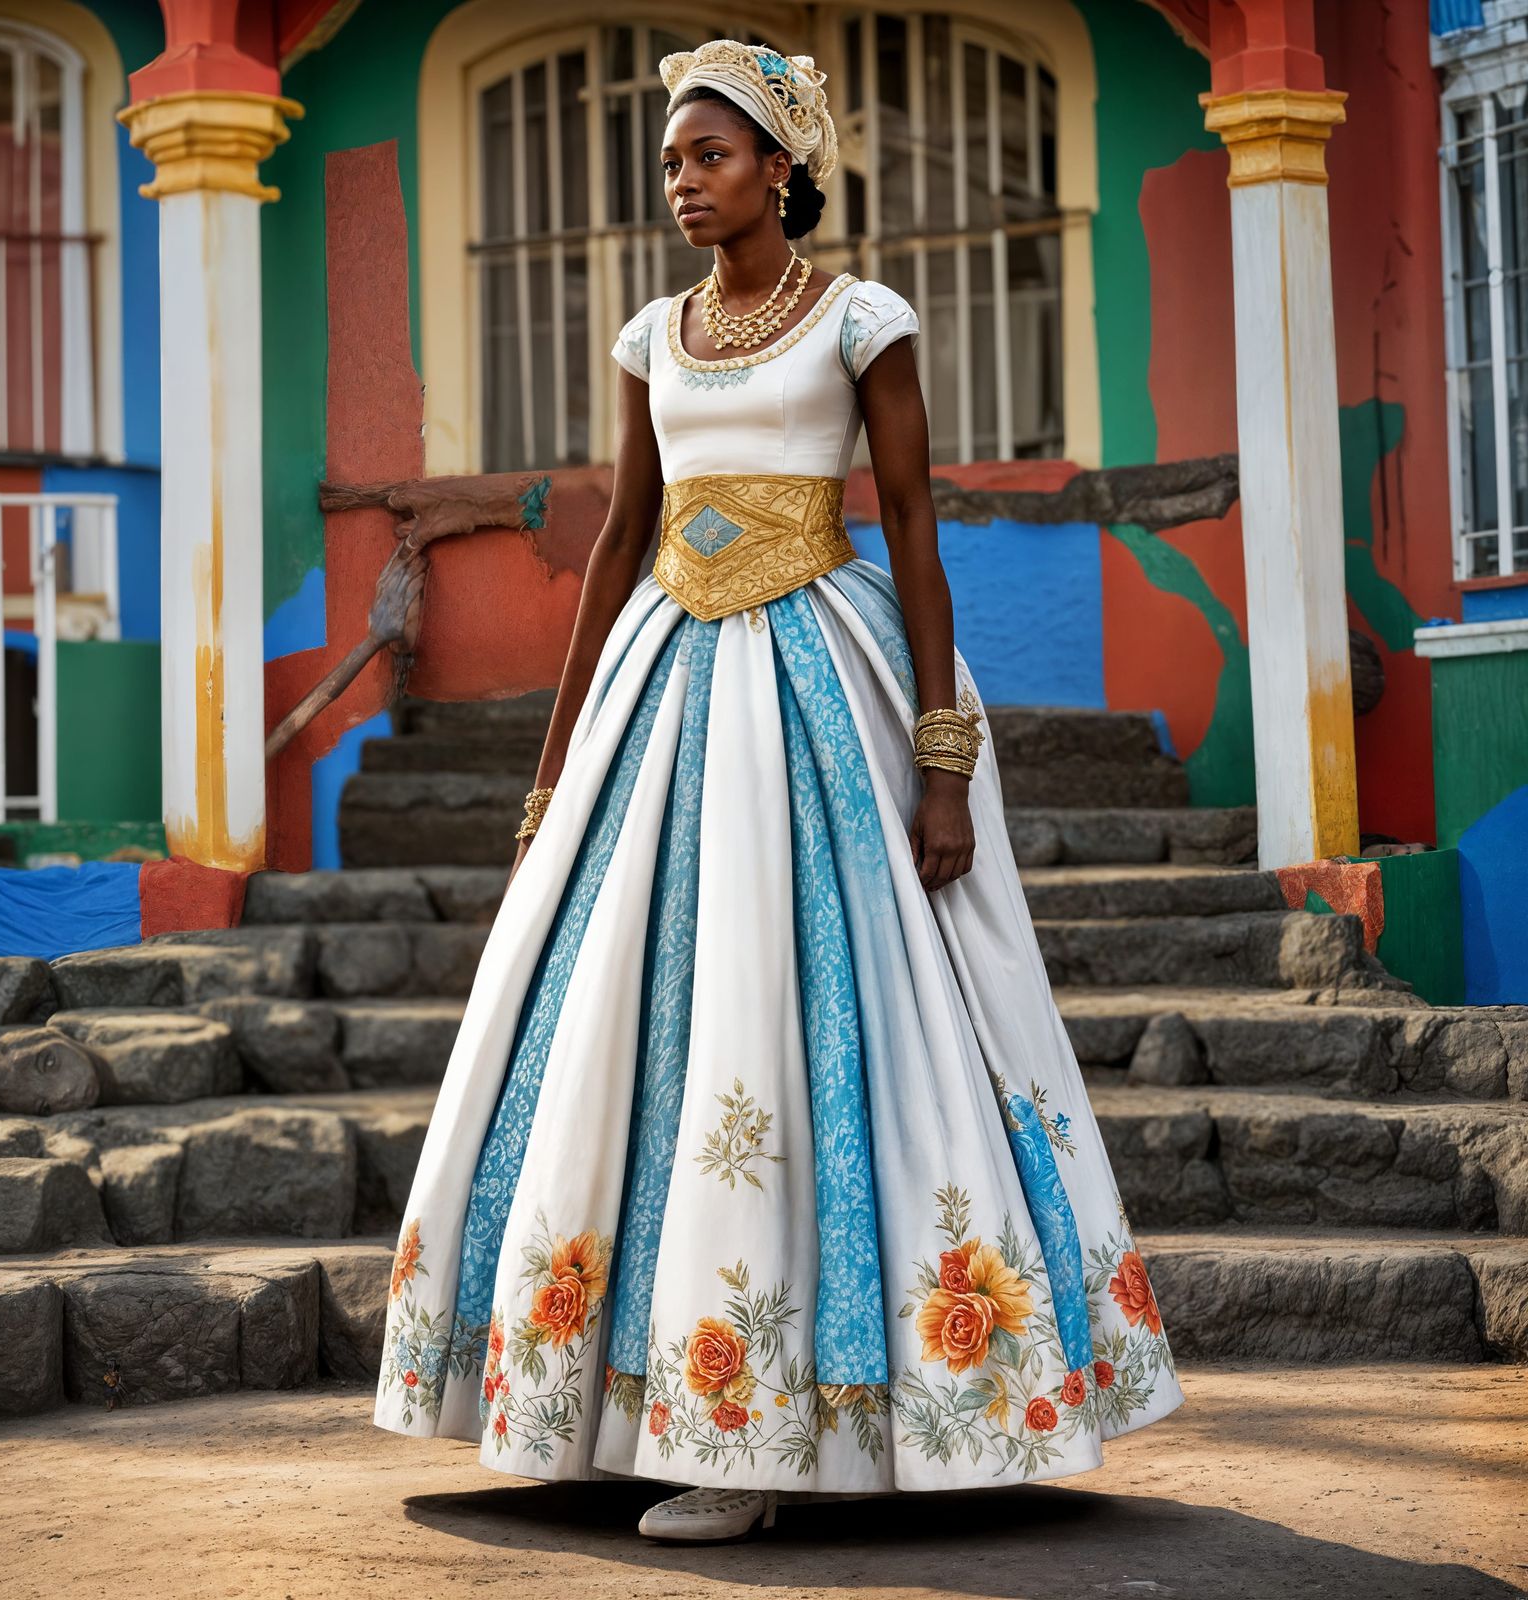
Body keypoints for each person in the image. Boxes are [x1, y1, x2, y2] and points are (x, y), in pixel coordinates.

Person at [372, 39, 1183, 1543]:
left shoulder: (864, 321)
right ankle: (626, 1401)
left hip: (825, 672)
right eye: (672, 162)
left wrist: (944, 761)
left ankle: (775, 1437)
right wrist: (553, 773)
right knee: (637, 1012)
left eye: (710, 157)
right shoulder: (650, 338)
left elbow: (917, 524)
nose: (682, 183)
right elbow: (619, 545)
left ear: (784, 167)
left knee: (809, 1013)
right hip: (665, 688)